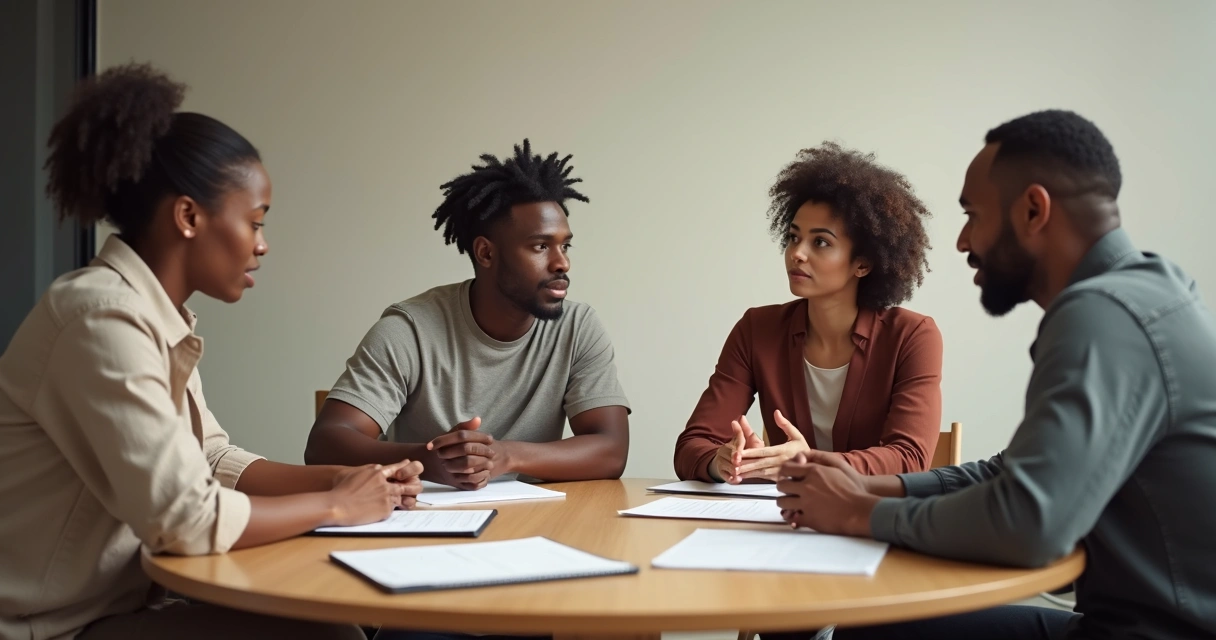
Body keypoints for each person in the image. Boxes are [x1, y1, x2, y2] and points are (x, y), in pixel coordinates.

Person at [0, 63, 424, 640]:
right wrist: (338, 507)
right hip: (49, 627)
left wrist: (347, 478)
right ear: (188, 216)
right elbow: (187, 518)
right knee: (328, 635)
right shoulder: (101, 319)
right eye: (254, 222)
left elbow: (214, 460)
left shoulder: (154, 315)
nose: (263, 244)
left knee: (334, 624)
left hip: (119, 608)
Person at [776, 110, 1216, 640]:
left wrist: (857, 514)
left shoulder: (1103, 316)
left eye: (972, 215)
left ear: (1033, 210)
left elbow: (1030, 524)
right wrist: (874, 487)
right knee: (875, 625)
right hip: (1124, 623)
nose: (962, 242)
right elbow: (1012, 473)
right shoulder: (1150, 290)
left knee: (871, 630)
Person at [304, 140, 630, 491]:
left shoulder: (578, 327)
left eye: (565, 245)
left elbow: (611, 450)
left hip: (537, 522)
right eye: (540, 246)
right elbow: (324, 445)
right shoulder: (411, 328)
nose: (562, 262)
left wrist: (507, 455)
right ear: (486, 253)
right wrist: (427, 460)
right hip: (425, 522)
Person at [674, 142, 943, 485]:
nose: (796, 254)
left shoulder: (912, 336)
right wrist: (723, 461)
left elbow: (909, 458)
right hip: (781, 521)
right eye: (793, 237)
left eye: (821, 242)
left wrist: (808, 463)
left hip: (869, 523)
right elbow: (691, 447)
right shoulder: (757, 330)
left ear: (863, 263)